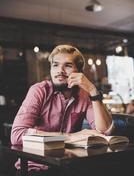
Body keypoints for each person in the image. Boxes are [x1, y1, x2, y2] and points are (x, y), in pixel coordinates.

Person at [11, 44, 113, 176]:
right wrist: (69, 137)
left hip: (67, 166)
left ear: (79, 72)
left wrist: (93, 90)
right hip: (34, 167)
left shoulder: (84, 95)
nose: (60, 70)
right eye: (56, 65)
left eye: (68, 65)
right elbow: (17, 135)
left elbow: (104, 131)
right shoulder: (39, 91)